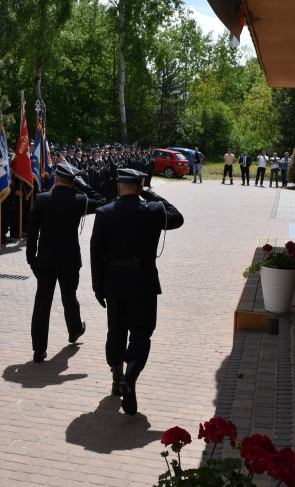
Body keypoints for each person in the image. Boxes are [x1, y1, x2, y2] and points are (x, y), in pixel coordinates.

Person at [89, 168, 183, 415]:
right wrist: (152, 195)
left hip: (114, 282)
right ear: (140, 187)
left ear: (118, 186)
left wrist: (98, 287)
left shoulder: (104, 213)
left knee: (116, 330)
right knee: (141, 334)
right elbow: (177, 217)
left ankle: (116, 375)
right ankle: (130, 376)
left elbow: (96, 254)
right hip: (143, 282)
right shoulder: (152, 211)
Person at [26, 162, 106, 362]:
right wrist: (83, 184)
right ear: (73, 181)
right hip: (69, 259)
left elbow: (32, 234)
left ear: (56, 178)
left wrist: (32, 259)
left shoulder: (41, 199)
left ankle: (39, 349)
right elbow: (101, 200)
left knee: (42, 304)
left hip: (44, 260)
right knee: (69, 297)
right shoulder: (78, 200)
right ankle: (75, 330)